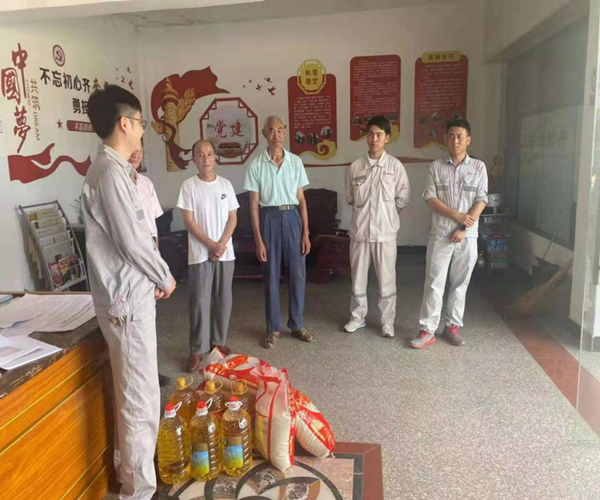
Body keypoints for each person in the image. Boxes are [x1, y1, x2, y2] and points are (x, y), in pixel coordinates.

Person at [81, 84, 176, 500]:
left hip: (130, 297)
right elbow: (133, 242)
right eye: (140, 123)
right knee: (139, 401)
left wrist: (153, 277)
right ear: (124, 123)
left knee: (136, 394)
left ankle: (131, 478)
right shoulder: (109, 173)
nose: (142, 131)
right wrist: (164, 276)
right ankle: (137, 492)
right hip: (126, 302)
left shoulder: (115, 170)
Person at [411, 118, 488, 349]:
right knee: (434, 282)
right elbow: (430, 197)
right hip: (441, 233)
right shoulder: (436, 166)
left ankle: (452, 326)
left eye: (460, 137)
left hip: (467, 236)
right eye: (451, 136)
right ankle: (427, 330)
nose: (455, 141)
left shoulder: (478, 167)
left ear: (468, 140)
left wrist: (463, 228)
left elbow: (481, 200)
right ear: (446, 139)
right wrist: (456, 216)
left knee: (460, 283)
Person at [244, 115, 314, 349]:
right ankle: (273, 328)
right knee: (271, 275)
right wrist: (258, 240)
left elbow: (301, 199)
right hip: (269, 218)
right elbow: (253, 204)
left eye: (280, 130)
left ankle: (297, 324)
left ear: (285, 132)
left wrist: (305, 233)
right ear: (264, 133)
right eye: (271, 130)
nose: (277, 135)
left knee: (298, 274)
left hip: (292, 217)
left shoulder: (295, 162)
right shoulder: (256, 165)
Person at [344, 115, 410, 338]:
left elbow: (402, 199)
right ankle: (357, 317)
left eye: (379, 135)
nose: (374, 139)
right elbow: (351, 197)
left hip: (385, 234)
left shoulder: (395, 167)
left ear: (387, 138)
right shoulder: (356, 166)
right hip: (360, 233)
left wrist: (387, 216)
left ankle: (387, 321)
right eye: (370, 134)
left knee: (387, 280)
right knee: (358, 278)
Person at [176, 140, 239, 372]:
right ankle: (197, 350)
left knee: (224, 300)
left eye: (209, 154)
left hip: (225, 253)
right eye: (200, 154)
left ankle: (218, 343)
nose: (205, 158)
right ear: (194, 159)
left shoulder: (226, 185)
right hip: (200, 253)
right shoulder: (188, 186)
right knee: (199, 302)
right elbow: (189, 221)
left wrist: (221, 244)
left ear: (215, 157)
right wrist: (210, 244)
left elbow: (233, 218)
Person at [129, 147, 162, 246]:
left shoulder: (146, 183)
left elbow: (152, 220)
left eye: (139, 151)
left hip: (150, 240)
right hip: (131, 242)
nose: (135, 155)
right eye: (131, 150)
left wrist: (156, 247)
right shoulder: (117, 183)